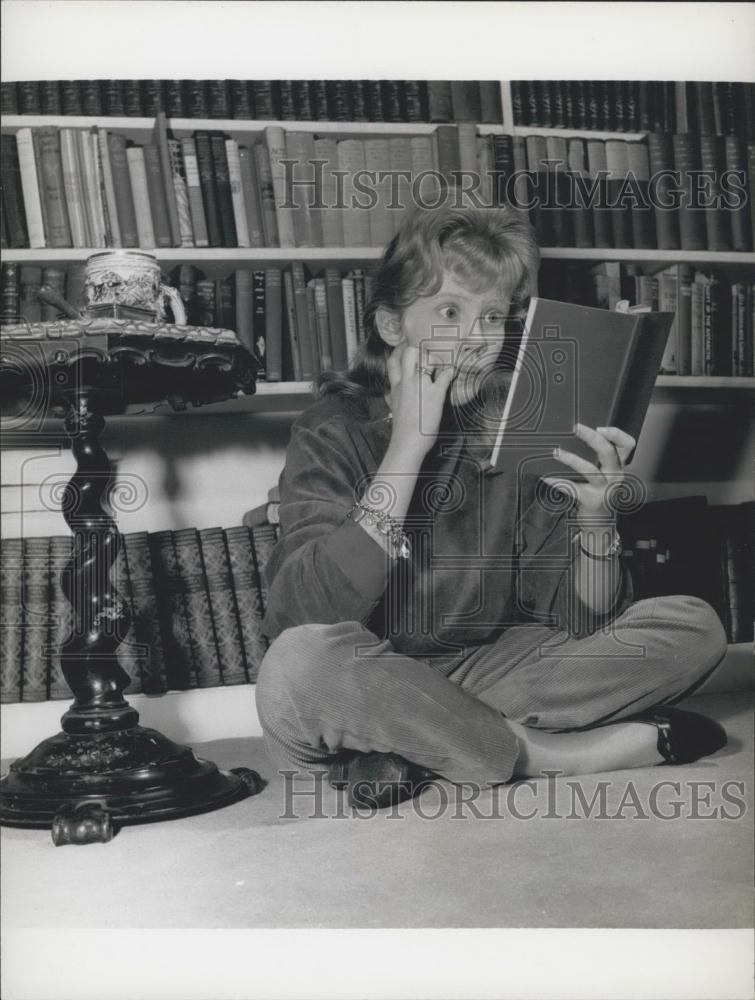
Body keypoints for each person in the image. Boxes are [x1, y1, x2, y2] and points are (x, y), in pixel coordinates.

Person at [256, 202, 728, 809]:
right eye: (451, 311)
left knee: (694, 624)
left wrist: (595, 517)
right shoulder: (333, 429)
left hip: (485, 671)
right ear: (393, 326)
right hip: (361, 671)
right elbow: (304, 613)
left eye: (494, 317)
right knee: (297, 665)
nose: (478, 340)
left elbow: (584, 622)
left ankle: (418, 748)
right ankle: (553, 756)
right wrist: (408, 447)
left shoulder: (513, 430)